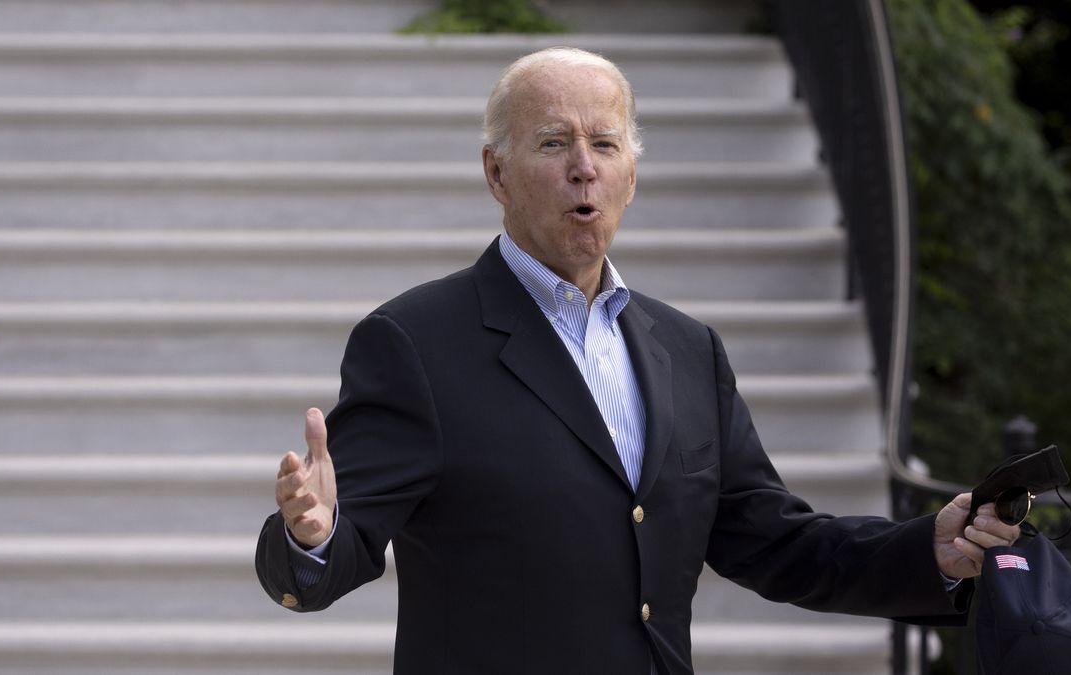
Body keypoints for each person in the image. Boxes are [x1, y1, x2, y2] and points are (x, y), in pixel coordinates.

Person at [255, 47, 1019, 674]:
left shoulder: (688, 350)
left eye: (605, 144)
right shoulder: (415, 342)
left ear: (631, 175)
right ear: (496, 173)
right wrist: (311, 535)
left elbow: (775, 540)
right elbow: (337, 544)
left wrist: (931, 550)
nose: (583, 168)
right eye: (553, 143)